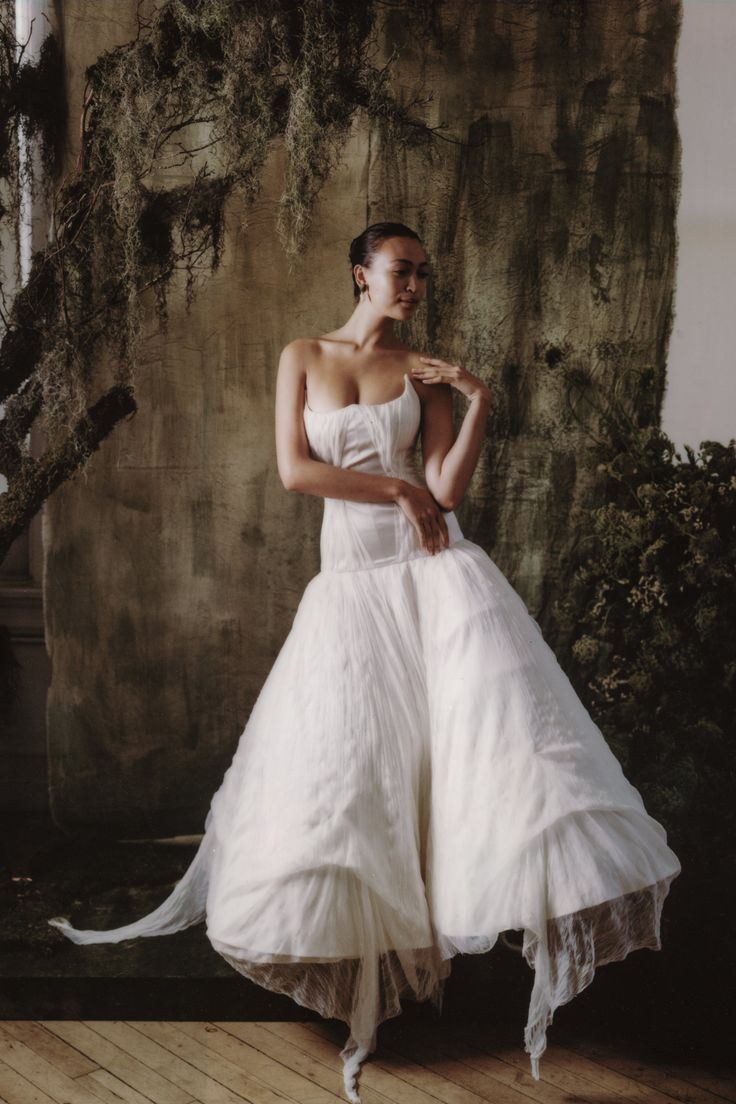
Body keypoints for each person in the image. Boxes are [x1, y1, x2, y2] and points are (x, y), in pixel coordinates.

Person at [49, 221, 681, 1104]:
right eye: (401, 271)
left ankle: (444, 939)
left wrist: (477, 396)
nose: (415, 285)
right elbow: (294, 470)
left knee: (464, 761)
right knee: (353, 766)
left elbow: (447, 490)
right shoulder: (301, 355)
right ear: (361, 274)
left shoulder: (423, 374)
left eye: (423, 274)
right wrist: (391, 486)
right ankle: (362, 959)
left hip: (433, 577)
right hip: (352, 583)